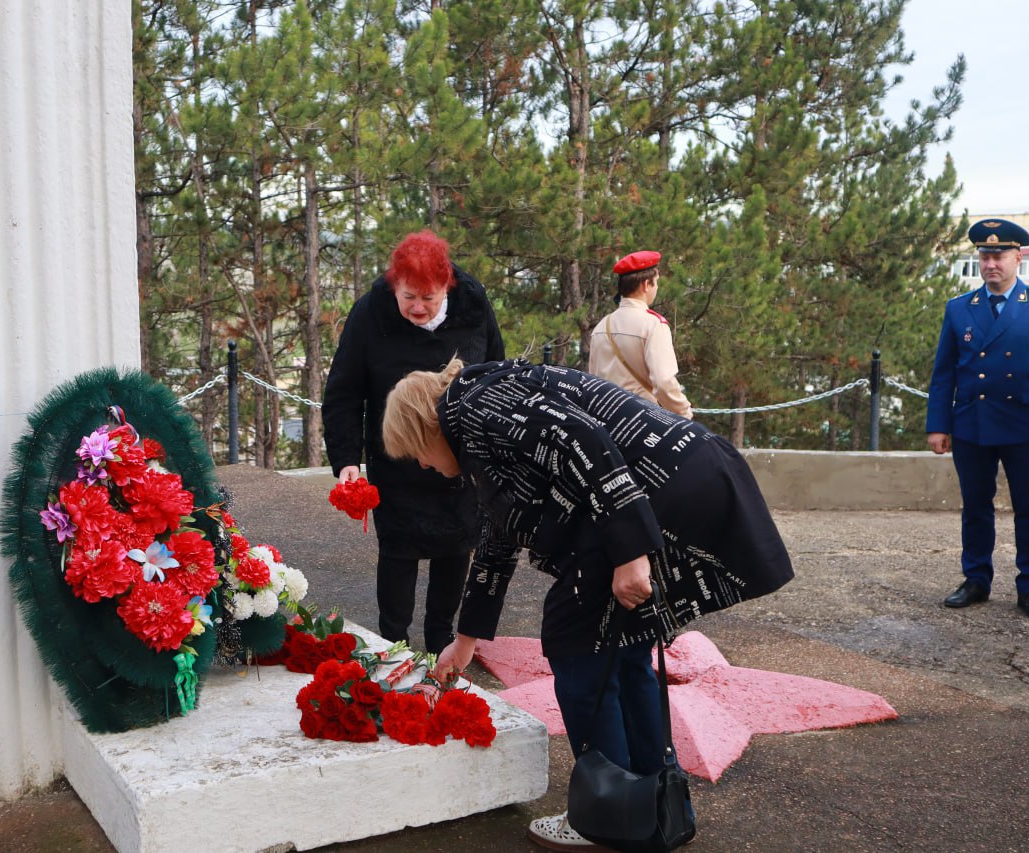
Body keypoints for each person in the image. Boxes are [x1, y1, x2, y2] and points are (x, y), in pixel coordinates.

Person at [382, 357, 793, 850]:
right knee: (625, 651)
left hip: (661, 492)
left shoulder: (475, 408)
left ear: (422, 426)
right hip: (685, 477)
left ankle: (607, 818)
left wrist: (630, 551)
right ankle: (658, 809)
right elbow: (498, 537)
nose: (423, 465)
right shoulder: (484, 415)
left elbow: (584, 440)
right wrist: (465, 641)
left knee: (576, 643)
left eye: (416, 453)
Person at [322, 230, 505, 654]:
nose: (418, 308)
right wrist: (347, 459)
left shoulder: (473, 304)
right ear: (394, 285)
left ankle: (441, 637)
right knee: (398, 550)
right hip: (396, 458)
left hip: (459, 459)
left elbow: (494, 373)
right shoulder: (371, 312)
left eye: (428, 298)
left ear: (447, 286)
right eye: (408, 297)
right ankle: (394, 640)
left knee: (457, 546)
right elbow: (344, 391)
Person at [926, 217, 1029, 620]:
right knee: (976, 507)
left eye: (999, 256)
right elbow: (944, 373)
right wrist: (938, 425)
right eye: (984, 257)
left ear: (1018, 258)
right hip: (972, 424)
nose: (991, 264)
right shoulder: (960, 308)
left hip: (1026, 426)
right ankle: (976, 580)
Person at [588, 250, 693, 418]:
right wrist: (684, 412)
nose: (657, 287)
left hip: (605, 419)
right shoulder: (653, 325)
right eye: (656, 282)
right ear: (645, 285)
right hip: (642, 420)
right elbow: (663, 382)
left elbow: (593, 382)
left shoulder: (601, 326)